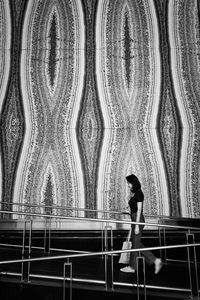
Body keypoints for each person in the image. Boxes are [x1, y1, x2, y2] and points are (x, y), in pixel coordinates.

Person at [120, 174, 162, 274]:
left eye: (129, 183)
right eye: (128, 183)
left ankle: (132, 267)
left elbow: (139, 210)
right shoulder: (134, 193)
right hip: (134, 218)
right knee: (136, 243)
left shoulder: (139, 193)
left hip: (138, 220)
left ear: (133, 182)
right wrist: (127, 208)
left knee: (135, 245)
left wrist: (137, 225)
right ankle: (155, 260)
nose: (128, 185)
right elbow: (134, 206)